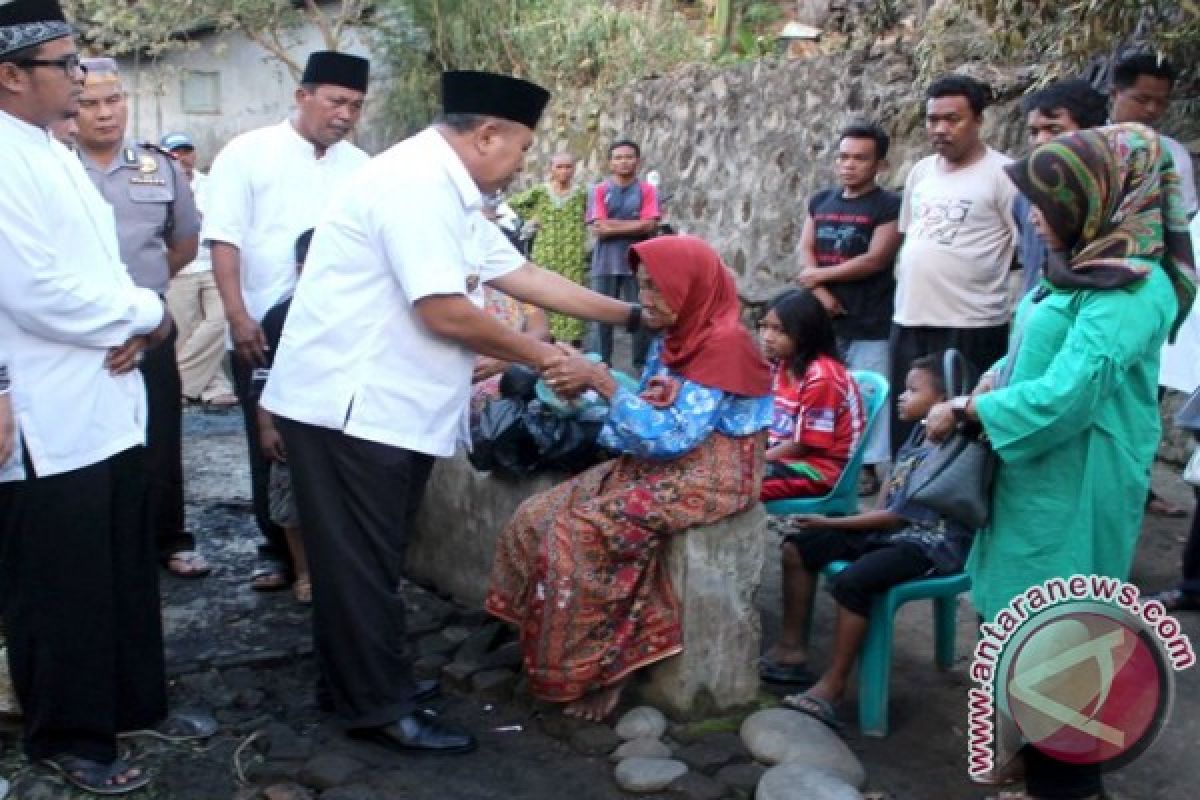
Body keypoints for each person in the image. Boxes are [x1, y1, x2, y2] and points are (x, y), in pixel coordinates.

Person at [259, 70, 637, 753]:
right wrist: (544, 357)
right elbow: (441, 309)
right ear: (486, 133)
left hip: (382, 406)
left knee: (368, 556)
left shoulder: (454, 193)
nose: (523, 162)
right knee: (362, 560)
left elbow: (519, 274)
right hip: (351, 405)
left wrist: (634, 312)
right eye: (521, 147)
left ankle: (355, 682)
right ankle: (375, 704)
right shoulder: (415, 184)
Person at [926, 123, 1195, 800]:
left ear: (1100, 197)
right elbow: (1031, 350)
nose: (1035, 216)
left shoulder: (1134, 288)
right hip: (1034, 480)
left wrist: (967, 411)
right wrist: (990, 381)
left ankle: (1067, 783)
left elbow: (1072, 393)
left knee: (1059, 649)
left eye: (1051, 200)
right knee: (1023, 635)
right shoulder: (1084, 262)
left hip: (1075, 483)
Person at [0, 1, 180, 790]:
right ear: (10, 76)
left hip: (107, 393)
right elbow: (34, 290)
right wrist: (145, 312)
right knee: (59, 583)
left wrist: (136, 319)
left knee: (121, 567)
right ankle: (69, 737)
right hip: (48, 409)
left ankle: (133, 705)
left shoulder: (49, 149)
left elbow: (100, 264)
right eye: (65, 66)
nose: (80, 79)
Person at [486, 234, 774, 721]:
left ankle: (603, 667)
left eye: (657, 289)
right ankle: (540, 632)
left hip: (714, 470)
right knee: (536, 513)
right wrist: (586, 392)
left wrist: (600, 382)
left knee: (579, 531)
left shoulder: (725, 345)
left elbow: (673, 436)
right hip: (663, 459)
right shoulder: (675, 336)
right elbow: (645, 407)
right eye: (641, 287)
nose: (645, 301)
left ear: (690, 287)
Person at [204, 50, 371, 591]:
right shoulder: (247, 153)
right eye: (336, 101)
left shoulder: (363, 168)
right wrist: (237, 315)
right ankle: (277, 549)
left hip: (336, 331)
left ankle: (326, 553)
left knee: (329, 441)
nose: (345, 114)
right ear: (303, 96)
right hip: (263, 327)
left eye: (356, 105)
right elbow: (225, 238)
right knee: (270, 443)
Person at [761, 355, 972, 726]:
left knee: (855, 581)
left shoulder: (953, 447)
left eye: (913, 390)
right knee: (799, 546)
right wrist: (840, 527)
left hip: (928, 545)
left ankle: (834, 685)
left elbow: (897, 514)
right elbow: (886, 501)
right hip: (889, 532)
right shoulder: (919, 433)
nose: (903, 398)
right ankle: (791, 651)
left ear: (945, 397)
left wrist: (838, 524)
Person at [74, 57, 209, 579]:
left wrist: (145, 296)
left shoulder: (159, 167)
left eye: (114, 101)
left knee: (159, 436)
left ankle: (169, 538)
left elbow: (182, 243)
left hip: (148, 326)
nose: (105, 114)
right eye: (89, 103)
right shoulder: (55, 166)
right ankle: (104, 545)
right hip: (80, 333)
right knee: (90, 443)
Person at [889, 74, 1019, 453]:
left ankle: (954, 507)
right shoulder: (921, 172)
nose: (941, 129)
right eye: (933, 120)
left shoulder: (1004, 174)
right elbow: (910, 235)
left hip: (971, 321)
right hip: (911, 317)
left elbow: (1022, 247)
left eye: (953, 119)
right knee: (908, 420)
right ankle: (901, 500)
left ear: (979, 120)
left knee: (961, 429)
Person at [796, 123, 901, 494]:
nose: (849, 165)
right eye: (843, 156)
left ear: (880, 165)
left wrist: (818, 276)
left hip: (870, 317)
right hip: (823, 318)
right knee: (823, 390)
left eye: (860, 158)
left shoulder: (889, 206)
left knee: (869, 393)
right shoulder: (820, 201)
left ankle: (868, 467)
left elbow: (875, 259)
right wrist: (821, 290)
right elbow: (806, 249)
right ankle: (820, 459)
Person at [253, 229, 316, 605]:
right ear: (299, 268)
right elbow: (263, 375)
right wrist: (266, 424)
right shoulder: (279, 316)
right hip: (291, 422)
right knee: (291, 504)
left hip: (336, 427)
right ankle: (304, 572)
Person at [758, 288, 864, 502]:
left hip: (817, 470)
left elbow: (804, 445)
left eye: (778, 330)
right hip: (783, 456)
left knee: (733, 485)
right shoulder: (780, 365)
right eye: (763, 327)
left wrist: (754, 460)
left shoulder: (822, 377)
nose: (767, 337)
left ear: (804, 333)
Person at [162, 131, 237, 409]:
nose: (181, 158)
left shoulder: (212, 185)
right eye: (174, 153)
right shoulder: (158, 185)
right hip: (180, 267)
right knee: (185, 331)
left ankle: (177, 383)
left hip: (212, 263)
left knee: (221, 320)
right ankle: (215, 387)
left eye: (186, 151)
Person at [1013, 78, 1108, 297]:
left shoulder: (1112, 199)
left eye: (1053, 129)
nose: (1040, 141)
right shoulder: (1025, 195)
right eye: (1034, 132)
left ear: (1091, 133)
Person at [586, 139, 661, 366]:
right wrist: (636, 224)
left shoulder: (647, 190)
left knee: (642, 312)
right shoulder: (599, 190)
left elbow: (650, 225)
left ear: (638, 161)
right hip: (605, 263)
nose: (624, 162)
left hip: (638, 264)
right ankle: (601, 364)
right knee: (601, 316)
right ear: (610, 163)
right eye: (618, 158)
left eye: (629, 157)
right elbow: (599, 229)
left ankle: (641, 364)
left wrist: (612, 226)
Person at [509, 153, 589, 344]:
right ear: (551, 169)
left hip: (572, 253)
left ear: (574, 169)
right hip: (546, 251)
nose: (564, 171)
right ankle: (545, 335)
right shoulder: (541, 192)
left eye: (568, 167)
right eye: (559, 167)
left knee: (571, 293)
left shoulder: (581, 194)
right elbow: (513, 203)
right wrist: (533, 216)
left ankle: (570, 340)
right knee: (544, 292)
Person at [1110, 52, 1197, 217]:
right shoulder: (1086, 143)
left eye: (1161, 103)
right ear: (1115, 94)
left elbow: (1186, 216)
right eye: (1142, 100)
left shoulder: (1173, 153)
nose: (1152, 109)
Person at [471, 286, 552, 416]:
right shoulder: (447, 285)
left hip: (516, 388)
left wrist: (506, 359)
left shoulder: (516, 283)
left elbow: (541, 333)